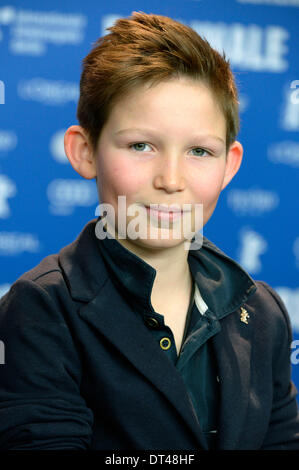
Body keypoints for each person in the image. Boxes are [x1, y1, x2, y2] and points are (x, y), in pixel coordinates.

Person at [0, 11, 298, 451]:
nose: (171, 179)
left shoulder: (263, 313)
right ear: (84, 152)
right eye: (141, 145)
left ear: (230, 165)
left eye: (200, 150)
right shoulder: (41, 311)